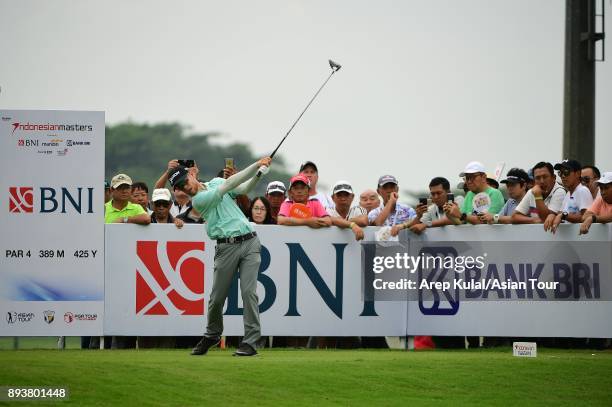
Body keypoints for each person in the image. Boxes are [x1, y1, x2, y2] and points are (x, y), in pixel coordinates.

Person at [169, 156, 272, 357]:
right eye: (180, 188)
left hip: (250, 241)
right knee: (217, 298)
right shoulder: (199, 200)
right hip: (226, 248)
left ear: (191, 174)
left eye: (185, 182)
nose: (185, 188)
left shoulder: (215, 183)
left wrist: (259, 174)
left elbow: (242, 189)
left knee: (249, 293)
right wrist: (256, 164)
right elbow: (231, 183)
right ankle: (212, 334)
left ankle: (250, 342)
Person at [547, 159, 594, 233]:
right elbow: (560, 214)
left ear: (578, 173)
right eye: (560, 173)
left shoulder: (582, 190)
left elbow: (586, 217)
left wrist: (564, 216)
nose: (562, 176)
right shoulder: (569, 193)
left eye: (566, 172)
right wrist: (553, 215)